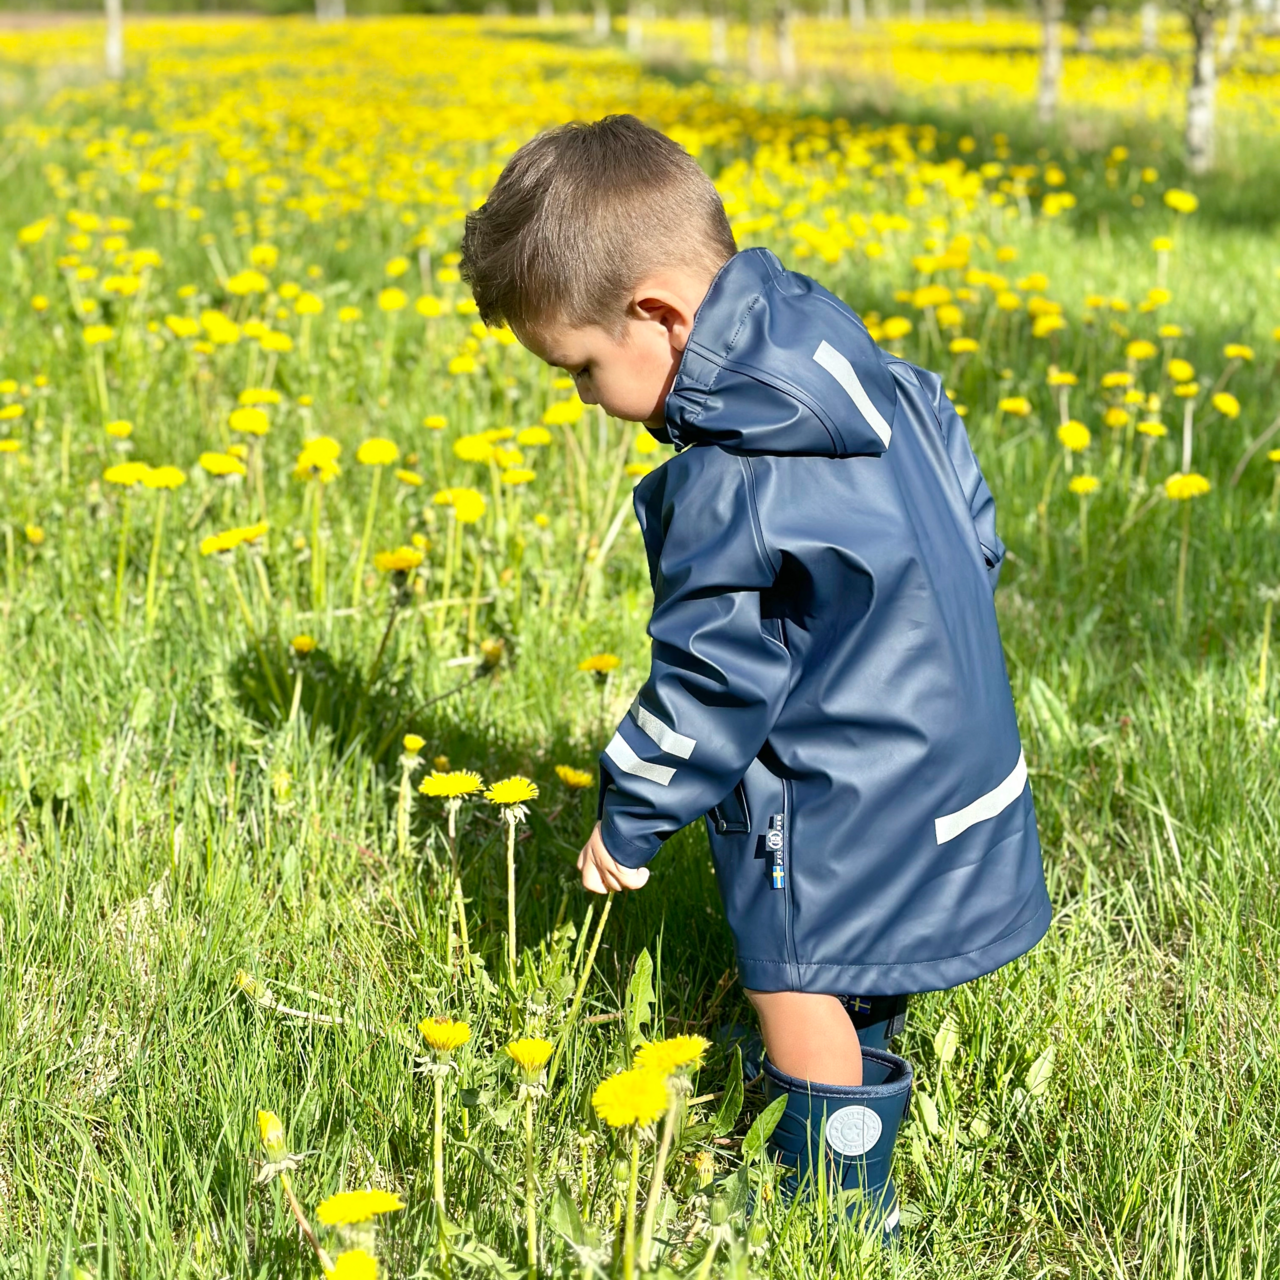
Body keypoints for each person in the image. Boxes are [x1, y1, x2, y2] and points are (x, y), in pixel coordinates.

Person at [460, 113, 1051, 1239]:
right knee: (845, 939)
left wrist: (629, 815)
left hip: (854, 779)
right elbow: (956, 477)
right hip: (946, 732)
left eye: (580, 368)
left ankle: (834, 1195)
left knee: (790, 960)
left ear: (658, 317)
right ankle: (855, 1051)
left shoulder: (732, 480)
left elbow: (710, 682)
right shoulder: (835, 349)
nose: (582, 397)